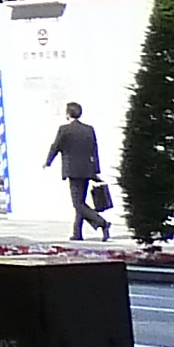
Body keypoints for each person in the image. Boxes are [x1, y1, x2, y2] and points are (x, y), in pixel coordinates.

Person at [48, 95, 107, 240]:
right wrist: (96, 170)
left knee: (77, 203)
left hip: (72, 171)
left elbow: (56, 146)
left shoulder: (64, 129)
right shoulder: (89, 129)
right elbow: (95, 150)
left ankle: (102, 223)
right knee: (80, 201)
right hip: (87, 170)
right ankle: (77, 233)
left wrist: (48, 161)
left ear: (68, 114)